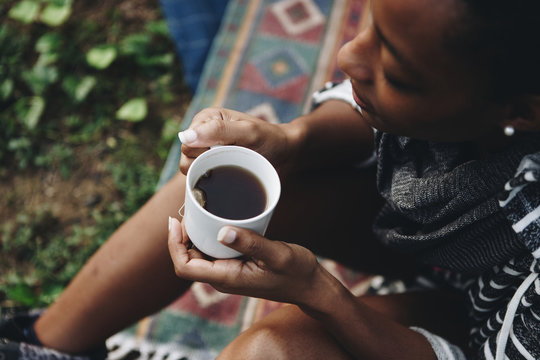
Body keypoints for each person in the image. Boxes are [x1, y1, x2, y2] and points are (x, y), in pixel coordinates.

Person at [1, 0, 539, 359]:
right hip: (437, 244)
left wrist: (317, 292)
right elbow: (364, 117)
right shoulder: (468, 69)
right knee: (238, 176)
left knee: (271, 351)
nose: (349, 55)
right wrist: (290, 141)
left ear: (522, 109)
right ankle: (37, 346)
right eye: (370, 24)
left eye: (396, 73)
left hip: (488, 327)